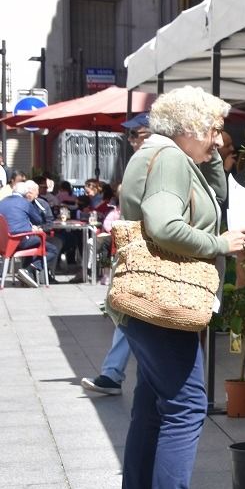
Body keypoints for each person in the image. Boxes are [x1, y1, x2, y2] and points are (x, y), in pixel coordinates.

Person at [110, 87, 245, 489]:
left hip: (144, 304)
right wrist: (219, 244)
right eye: (212, 130)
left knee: (151, 408)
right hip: (163, 302)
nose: (219, 139)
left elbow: (211, 195)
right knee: (187, 405)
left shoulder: (157, 152)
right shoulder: (169, 158)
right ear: (188, 128)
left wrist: (209, 158)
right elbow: (166, 225)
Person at [82, 114, 150, 396]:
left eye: (137, 134)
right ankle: (113, 373)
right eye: (131, 136)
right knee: (128, 315)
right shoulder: (140, 162)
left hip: (151, 255)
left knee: (132, 316)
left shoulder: (158, 162)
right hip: (137, 253)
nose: (132, 140)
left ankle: (115, 374)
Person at [0, 179, 64, 287]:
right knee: (52, 248)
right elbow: (38, 220)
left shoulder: (2, 202)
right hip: (20, 241)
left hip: (3, 243)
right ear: (25, 193)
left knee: (34, 242)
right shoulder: (25, 203)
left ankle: (26, 275)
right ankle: (29, 269)